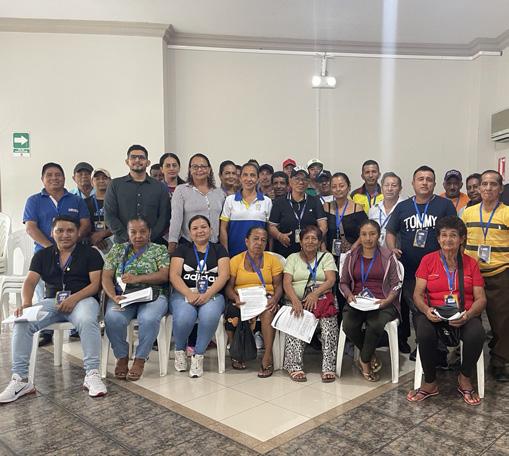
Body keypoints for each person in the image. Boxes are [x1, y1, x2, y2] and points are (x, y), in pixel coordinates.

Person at [0, 216, 107, 403]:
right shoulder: (42, 255)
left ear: (78, 233)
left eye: (70, 230)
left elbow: (95, 285)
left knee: (87, 320)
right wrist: (26, 304)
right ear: (52, 233)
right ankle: (21, 380)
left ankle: (92, 374)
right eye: (60, 231)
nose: (65, 235)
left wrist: (73, 298)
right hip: (52, 302)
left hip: (83, 299)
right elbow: (30, 281)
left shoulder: (90, 253)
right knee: (22, 322)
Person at [408, 216, 486, 403]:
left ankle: (464, 377)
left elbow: (481, 299)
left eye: (453, 235)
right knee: (424, 332)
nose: (448, 240)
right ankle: (430, 382)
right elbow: (417, 294)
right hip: (433, 313)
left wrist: (468, 315)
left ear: (462, 239)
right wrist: (426, 310)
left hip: (463, 313)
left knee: (477, 333)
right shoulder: (428, 260)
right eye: (444, 235)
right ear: (438, 238)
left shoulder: (471, 263)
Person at [386, 165, 456, 357]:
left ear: (434, 183)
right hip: (410, 269)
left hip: (440, 269)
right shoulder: (403, 207)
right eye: (420, 179)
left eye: (429, 179)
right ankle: (425, 344)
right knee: (418, 309)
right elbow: (390, 231)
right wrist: (392, 248)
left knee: (439, 306)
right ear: (413, 183)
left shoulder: (445, 205)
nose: (425, 183)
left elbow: (455, 232)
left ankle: (439, 347)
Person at [23, 162, 91, 347]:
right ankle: (45, 331)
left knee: (76, 287)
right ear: (42, 179)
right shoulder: (34, 200)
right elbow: (31, 227)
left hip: (74, 254)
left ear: (64, 178)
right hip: (44, 255)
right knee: (46, 295)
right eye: (49, 175)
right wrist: (51, 248)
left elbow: (85, 224)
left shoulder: (75, 200)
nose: (54, 178)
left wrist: (71, 243)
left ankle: (76, 326)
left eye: (58, 175)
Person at [102, 216, 170, 381]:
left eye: (142, 232)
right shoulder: (118, 250)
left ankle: (140, 358)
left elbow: (164, 275)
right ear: (128, 233)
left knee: (149, 318)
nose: (138, 236)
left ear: (149, 233)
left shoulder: (159, 249)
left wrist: (137, 279)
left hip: (153, 295)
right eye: (133, 232)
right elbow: (106, 277)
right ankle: (121, 356)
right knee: (112, 318)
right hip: (124, 296)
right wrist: (113, 296)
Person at [340, 220, 402, 381]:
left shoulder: (388, 256)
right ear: (359, 237)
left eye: (372, 234)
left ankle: (365, 361)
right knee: (348, 325)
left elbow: (396, 284)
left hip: (382, 302)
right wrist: (348, 295)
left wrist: (388, 300)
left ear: (379, 236)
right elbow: (343, 282)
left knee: (375, 324)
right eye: (364, 234)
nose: (368, 238)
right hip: (357, 301)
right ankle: (369, 353)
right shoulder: (351, 256)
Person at [462, 170, 509, 382]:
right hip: (472, 276)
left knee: (502, 322)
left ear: (500, 188)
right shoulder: (468, 213)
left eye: (493, 184)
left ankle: (499, 361)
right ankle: (467, 359)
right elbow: (461, 241)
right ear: (479, 188)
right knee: (468, 319)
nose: (488, 188)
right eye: (485, 184)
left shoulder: (506, 213)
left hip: (499, 274)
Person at [169, 215, 230, 378]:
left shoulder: (219, 249)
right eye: (195, 228)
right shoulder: (182, 249)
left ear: (211, 230)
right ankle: (180, 350)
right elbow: (174, 275)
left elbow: (224, 275)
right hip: (184, 292)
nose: (200, 231)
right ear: (189, 233)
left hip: (212, 293)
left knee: (209, 316)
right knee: (184, 317)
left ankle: (198, 355)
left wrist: (207, 294)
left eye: (203, 227)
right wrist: (189, 294)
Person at [283, 225, 338, 382]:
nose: (310, 241)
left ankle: (328, 367)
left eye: (314, 238)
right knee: (296, 319)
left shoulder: (326, 257)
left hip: (322, 300)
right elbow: (286, 283)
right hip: (297, 300)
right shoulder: (292, 258)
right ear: (300, 241)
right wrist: (295, 300)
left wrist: (315, 294)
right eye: (306, 238)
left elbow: (331, 280)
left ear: (319, 242)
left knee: (328, 325)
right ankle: (294, 366)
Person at [225, 227, 283, 376]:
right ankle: (236, 352)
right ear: (247, 241)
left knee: (269, 312)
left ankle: (267, 356)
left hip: (265, 298)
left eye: (263, 240)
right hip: (242, 299)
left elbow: (279, 286)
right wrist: (235, 298)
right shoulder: (236, 260)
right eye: (255, 239)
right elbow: (229, 288)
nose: (259, 243)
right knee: (232, 312)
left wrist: (275, 299)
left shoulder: (272, 260)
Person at [104, 145, 170, 245]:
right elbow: (109, 215)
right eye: (133, 157)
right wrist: (128, 237)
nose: (137, 160)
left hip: (153, 244)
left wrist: (149, 237)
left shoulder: (160, 187)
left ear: (148, 162)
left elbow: (164, 217)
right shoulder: (115, 185)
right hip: (122, 244)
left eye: (141, 157)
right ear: (127, 161)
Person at [168, 153, 226, 254]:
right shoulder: (181, 190)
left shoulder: (219, 193)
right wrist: (172, 244)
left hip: (214, 245)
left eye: (203, 166)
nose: (199, 169)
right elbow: (176, 219)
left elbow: (223, 223)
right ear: (190, 170)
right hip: (189, 245)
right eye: (195, 167)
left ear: (209, 169)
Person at [269, 168, 327, 258]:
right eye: (297, 179)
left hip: (310, 252)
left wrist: (314, 240)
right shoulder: (279, 202)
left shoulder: (315, 201)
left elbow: (323, 226)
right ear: (290, 181)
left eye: (304, 179)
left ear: (308, 182)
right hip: (285, 251)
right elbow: (271, 226)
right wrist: (279, 236)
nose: (301, 182)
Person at [220, 163, 273, 257]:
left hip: (259, 256)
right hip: (234, 255)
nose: (249, 179)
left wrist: (270, 254)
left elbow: (270, 231)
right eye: (245, 175)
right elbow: (223, 229)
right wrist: (225, 254)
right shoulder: (230, 200)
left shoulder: (267, 201)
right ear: (240, 178)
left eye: (252, 175)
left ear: (258, 179)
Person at [324, 172, 367, 257]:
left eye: (341, 186)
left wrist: (355, 247)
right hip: (329, 255)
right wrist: (323, 250)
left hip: (351, 254)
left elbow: (365, 230)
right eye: (334, 187)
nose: (338, 189)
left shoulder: (357, 208)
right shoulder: (326, 207)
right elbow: (319, 231)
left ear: (349, 187)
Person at [368, 172, 405, 246]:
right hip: (376, 250)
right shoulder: (374, 208)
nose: (389, 189)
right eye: (386, 185)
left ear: (400, 189)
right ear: (381, 188)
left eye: (394, 186)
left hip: (398, 250)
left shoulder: (406, 208)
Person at [85, 168, 113, 252]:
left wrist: (103, 234)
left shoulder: (118, 201)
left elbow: (124, 222)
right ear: (92, 182)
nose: (101, 181)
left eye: (104, 178)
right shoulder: (84, 202)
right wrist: (93, 237)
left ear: (110, 181)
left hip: (115, 242)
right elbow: (83, 224)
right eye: (97, 178)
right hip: (93, 244)